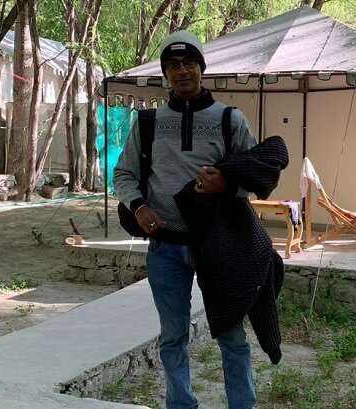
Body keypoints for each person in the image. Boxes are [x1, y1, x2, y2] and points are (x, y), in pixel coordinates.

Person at [113, 30, 258, 409]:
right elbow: (123, 175)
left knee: (231, 336)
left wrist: (225, 183)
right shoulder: (147, 123)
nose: (181, 71)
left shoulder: (230, 119)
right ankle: (181, 404)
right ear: (165, 73)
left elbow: (255, 175)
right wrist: (139, 207)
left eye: (189, 62)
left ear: (201, 68)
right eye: (173, 65)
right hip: (166, 248)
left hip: (219, 245)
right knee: (172, 336)